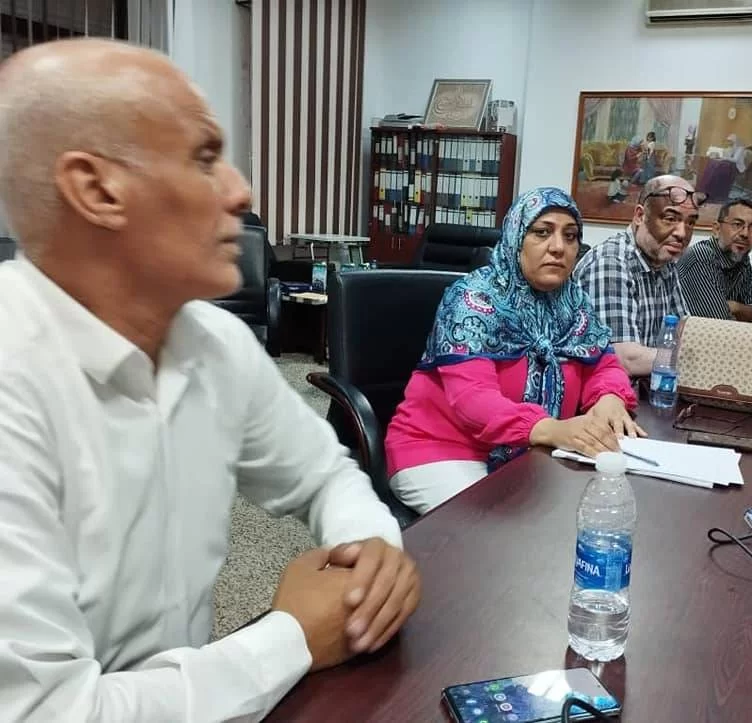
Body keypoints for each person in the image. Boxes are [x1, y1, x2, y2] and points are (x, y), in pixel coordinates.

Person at [0, 39, 420, 721]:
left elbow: (324, 475)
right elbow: (48, 712)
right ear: (97, 190)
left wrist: (368, 552)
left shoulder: (214, 342)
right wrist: (290, 639)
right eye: (203, 158)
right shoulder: (14, 379)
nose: (240, 191)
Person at [385, 187, 642, 514]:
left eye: (570, 236)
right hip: (441, 450)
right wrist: (553, 429)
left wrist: (609, 397)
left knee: (597, 513)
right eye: (542, 232)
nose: (558, 247)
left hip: (534, 454)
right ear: (515, 239)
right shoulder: (473, 300)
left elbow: (603, 365)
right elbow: (473, 400)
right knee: (498, 533)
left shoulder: (573, 302)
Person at [574, 175, 702, 378]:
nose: (682, 233)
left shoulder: (664, 261)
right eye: (670, 219)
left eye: (690, 223)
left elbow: (684, 334)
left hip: (648, 386)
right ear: (640, 216)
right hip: (607, 392)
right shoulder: (611, 262)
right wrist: (701, 359)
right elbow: (626, 359)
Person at [677, 198, 752, 323]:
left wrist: (735, 307)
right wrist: (742, 312)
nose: (745, 234)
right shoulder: (701, 256)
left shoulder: (742, 259)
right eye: (737, 224)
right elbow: (718, 324)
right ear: (717, 229)